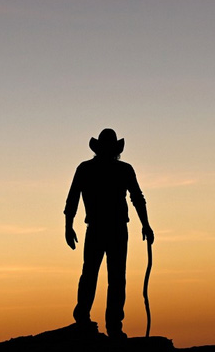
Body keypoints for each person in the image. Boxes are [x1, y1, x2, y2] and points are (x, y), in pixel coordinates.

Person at [64, 128, 153, 339]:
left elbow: (137, 198)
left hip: (105, 229)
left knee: (101, 275)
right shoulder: (117, 169)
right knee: (105, 276)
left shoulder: (91, 169)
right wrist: (68, 227)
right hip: (108, 229)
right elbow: (73, 199)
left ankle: (103, 322)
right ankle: (103, 322)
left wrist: (146, 224)